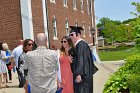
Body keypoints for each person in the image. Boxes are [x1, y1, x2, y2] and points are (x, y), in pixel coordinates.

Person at [69, 26, 97, 93]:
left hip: (83, 76)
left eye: (72, 34)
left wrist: (78, 74)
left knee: (83, 90)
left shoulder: (81, 45)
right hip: (83, 74)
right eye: (70, 35)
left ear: (78, 34)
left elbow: (81, 60)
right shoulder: (79, 44)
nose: (70, 37)